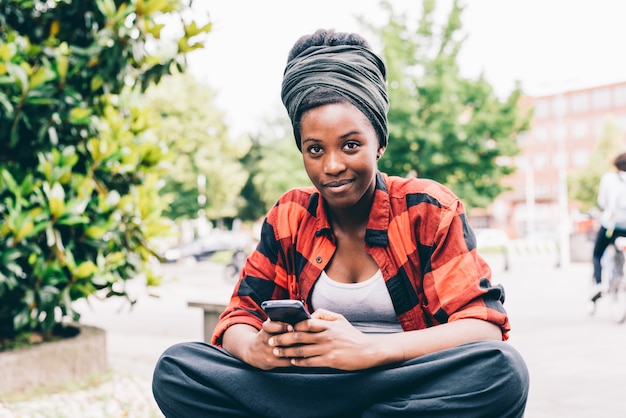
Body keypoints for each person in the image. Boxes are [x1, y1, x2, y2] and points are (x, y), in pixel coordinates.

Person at [152, 29, 529, 418]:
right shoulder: (289, 216)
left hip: (400, 383)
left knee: (502, 371)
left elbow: (484, 327)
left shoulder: (427, 208)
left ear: (379, 142)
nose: (331, 166)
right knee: (178, 368)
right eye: (315, 149)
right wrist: (254, 348)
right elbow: (238, 317)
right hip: (306, 386)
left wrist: (369, 350)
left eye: (350, 145)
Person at [590, 151, 626, 302]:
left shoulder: (609, 178)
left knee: (597, 254)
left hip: (611, 225)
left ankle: (599, 284)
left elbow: (602, 202)